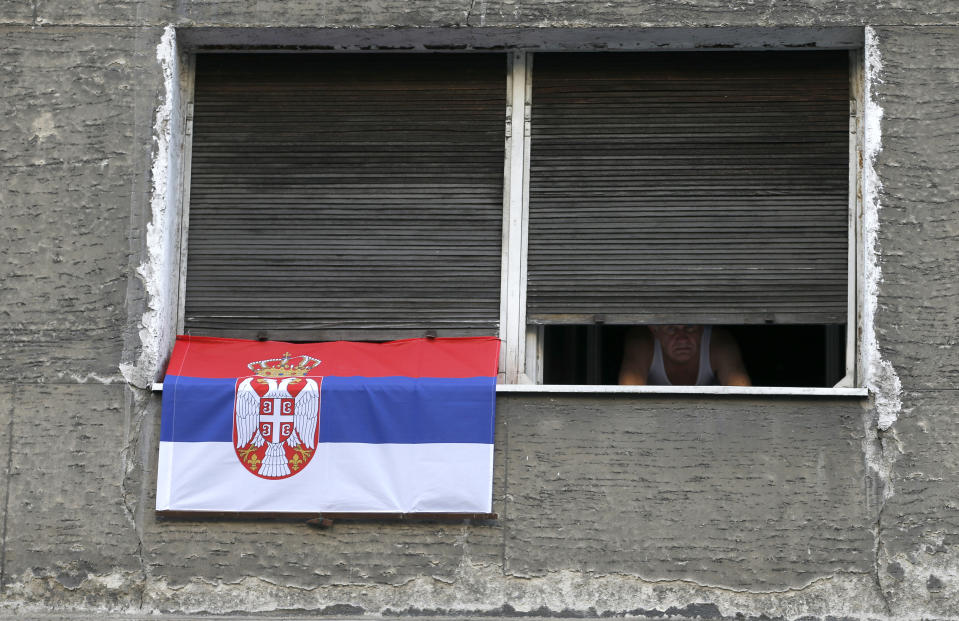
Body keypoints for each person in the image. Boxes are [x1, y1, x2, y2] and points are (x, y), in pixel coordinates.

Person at [618, 325, 751, 386]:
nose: (682, 339)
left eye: (689, 327)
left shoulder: (719, 344)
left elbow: (743, 399)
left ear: (702, 327)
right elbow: (629, 400)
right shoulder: (641, 342)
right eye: (671, 329)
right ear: (654, 330)